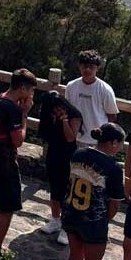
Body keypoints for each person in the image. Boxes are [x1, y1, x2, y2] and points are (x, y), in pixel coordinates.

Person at [59, 123, 127, 260]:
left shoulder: (78, 154)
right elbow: (115, 203)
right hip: (94, 223)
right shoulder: (113, 168)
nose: (120, 148)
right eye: (120, 144)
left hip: (71, 215)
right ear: (113, 142)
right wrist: (104, 220)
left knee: (74, 258)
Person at [0, 68, 36, 252]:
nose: (31, 95)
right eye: (31, 90)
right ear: (23, 89)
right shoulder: (13, 110)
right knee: (6, 207)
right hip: (5, 162)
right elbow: (18, 141)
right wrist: (24, 114)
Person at [39, 91, 84, 245]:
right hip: (53, 154)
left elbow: (71, 138)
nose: (58, 111)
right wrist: (52, 120)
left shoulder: (75, 115)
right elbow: (45, 135)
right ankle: (55, 219)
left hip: (68, 156)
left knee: (67, 191)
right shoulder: (48, 116)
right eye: (54, 109)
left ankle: (67, 225)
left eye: (59, 107)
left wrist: (64, 121)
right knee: (54, 188)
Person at [64, 50, 119, 148]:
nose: (87, 70)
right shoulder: (71, 86)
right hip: (74, 138)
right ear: (79, 66)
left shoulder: (105, 89)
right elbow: (67, 111)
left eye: (91, 67)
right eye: (84, 66)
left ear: (98, 68)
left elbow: (112, 116)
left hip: (97, 141)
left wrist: (106, 138)